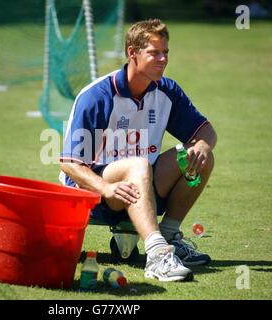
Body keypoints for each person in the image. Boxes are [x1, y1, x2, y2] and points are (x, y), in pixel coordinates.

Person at [59, 19, 217, 282]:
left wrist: (201, 144)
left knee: (200, 155)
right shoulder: (96, 96)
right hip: (97, 193)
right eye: (154, 52)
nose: (163, 59)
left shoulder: (168, 90)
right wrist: (106, 188)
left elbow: (207, 132)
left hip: (144, 184)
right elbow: (69, 164)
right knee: (138, 164)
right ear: (132, 53)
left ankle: (168, 235)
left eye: (166, 52)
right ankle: (156, 256)